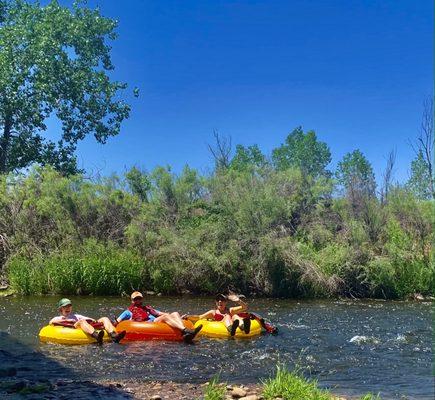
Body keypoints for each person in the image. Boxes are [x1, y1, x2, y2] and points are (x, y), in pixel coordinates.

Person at [116, 291, 202, 343]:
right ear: (132, 300)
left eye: (139, 298)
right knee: (165, 317)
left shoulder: (147, 308)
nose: (138, 301)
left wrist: (179, 318)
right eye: (136, 299)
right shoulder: (128, 312)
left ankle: (185, 333)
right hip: (147, 324)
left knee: (175, 313)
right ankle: (185, 331)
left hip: (155, 321)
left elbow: (162, 313)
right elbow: (118, 321)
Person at [49, 298, 126, 345]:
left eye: (69, 306)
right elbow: (51, 323)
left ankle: (114, 335)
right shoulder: (57, 318)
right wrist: (65, 320)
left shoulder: (76, 316)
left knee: (104, 318)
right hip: (73, 327)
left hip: (81, 324)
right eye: (65, 307)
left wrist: (95, 321)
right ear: (60, 309)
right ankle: (96, 335)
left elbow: (91, 319)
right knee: (81, 321)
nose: (67, 308)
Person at [184, 293, 251, 336]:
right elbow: (199, 317)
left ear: (226, 302)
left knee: (235, 315)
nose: (220, 301)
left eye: (222, 300)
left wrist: (238, 301)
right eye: (218, 300)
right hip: (223, 325)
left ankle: (244, 327)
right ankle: (231, 330)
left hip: (234, 323)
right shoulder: (213, 312)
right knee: (227, 317)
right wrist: (188, 317)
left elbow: (245, 307)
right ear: (216, 302)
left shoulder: (230, 310)